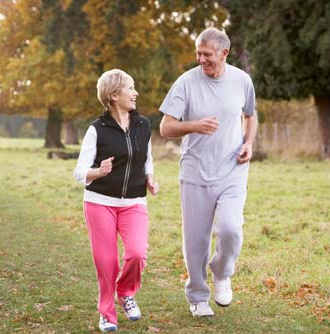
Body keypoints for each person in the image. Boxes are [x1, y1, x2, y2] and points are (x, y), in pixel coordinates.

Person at [159, 27, 258, 317]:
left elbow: (250, 115)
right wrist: (194, 125)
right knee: (196, 239)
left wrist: (249, 143)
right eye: (198, 53)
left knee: (230, 229)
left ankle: (222, 272)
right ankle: (198, 296)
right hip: (196, 172)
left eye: (206, 54)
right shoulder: (186, 83)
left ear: (224, 53)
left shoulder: (242, 80)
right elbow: (165, 127)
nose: (200, 59)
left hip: (233, 170)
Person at [74, 69, 159, 332]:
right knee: (106, 261)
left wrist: (150, 177)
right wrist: (98, 172)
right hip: (100, 202)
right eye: (130, 88)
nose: (136, 93)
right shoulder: (96, 130)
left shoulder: (143, 125)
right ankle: (107, 313)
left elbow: (147, 157)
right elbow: (79, 172)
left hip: (134, 201)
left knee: (136, 254)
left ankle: (126, 292)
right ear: (113, 95)